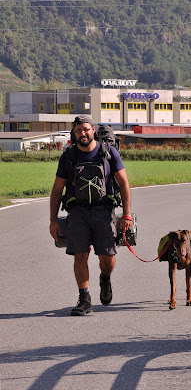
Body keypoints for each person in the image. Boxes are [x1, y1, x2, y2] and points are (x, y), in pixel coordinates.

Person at [49, 115, 132, 316]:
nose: (82, 133)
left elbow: (123, 184)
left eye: (86, 129)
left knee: (107, 257)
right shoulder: (69, 156)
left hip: (104, 210)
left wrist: (126, 214)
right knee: (80, 255)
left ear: (93, 129)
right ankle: (84, 298)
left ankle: (105, 278)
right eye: (78, 130)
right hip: (78, 211)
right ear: (74, 133)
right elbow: (57, 190)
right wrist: (53, 220)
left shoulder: (108, 152)